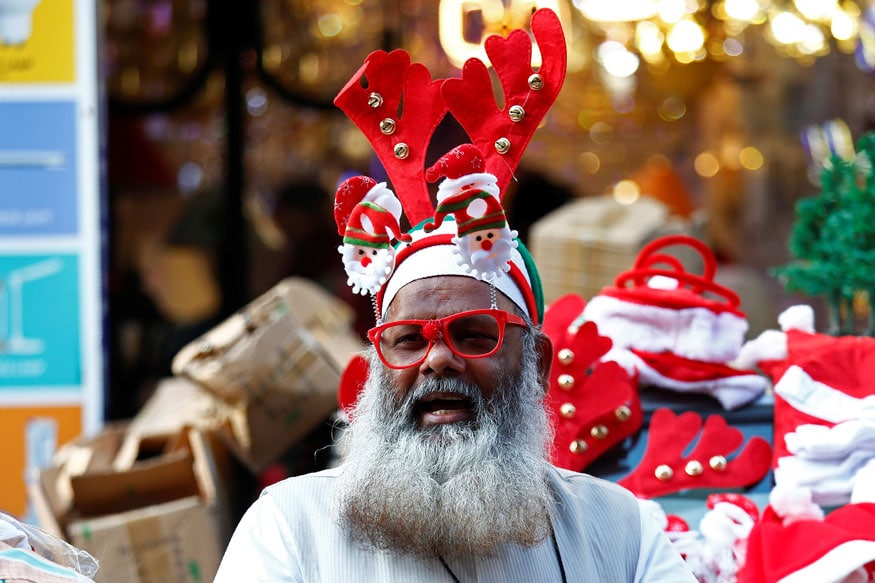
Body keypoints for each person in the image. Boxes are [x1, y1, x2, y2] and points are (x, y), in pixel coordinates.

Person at [215, 9, 696, 581]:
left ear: (537, 364)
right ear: (375, 366)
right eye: (407, 340)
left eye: (474, 334)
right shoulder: (291, 527)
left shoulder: (622, 531)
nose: (438, 359)